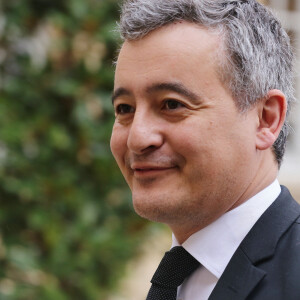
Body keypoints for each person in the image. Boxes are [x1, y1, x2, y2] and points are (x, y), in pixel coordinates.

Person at [110, 0, 300, 299]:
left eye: (172, 104)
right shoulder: (177, 276)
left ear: (266, 119)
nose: (137, 138)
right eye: (124, 109)